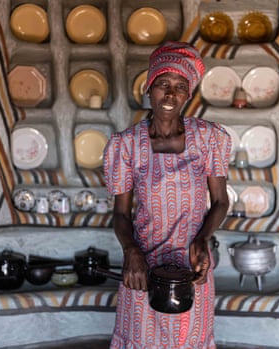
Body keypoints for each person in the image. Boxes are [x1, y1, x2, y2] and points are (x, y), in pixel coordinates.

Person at [103, 41, 231, 349]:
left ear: (189, 94)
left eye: (179, 86)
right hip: (143, 266)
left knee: (190, 339)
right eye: (163, 84)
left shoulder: (209, 138)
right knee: (141, 338)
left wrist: (202, 239)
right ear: (149, 88)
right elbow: (120, 214)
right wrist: (131, 251)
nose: (170, 94)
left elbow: (221, 202)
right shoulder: (126, 145)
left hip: (192, 262)